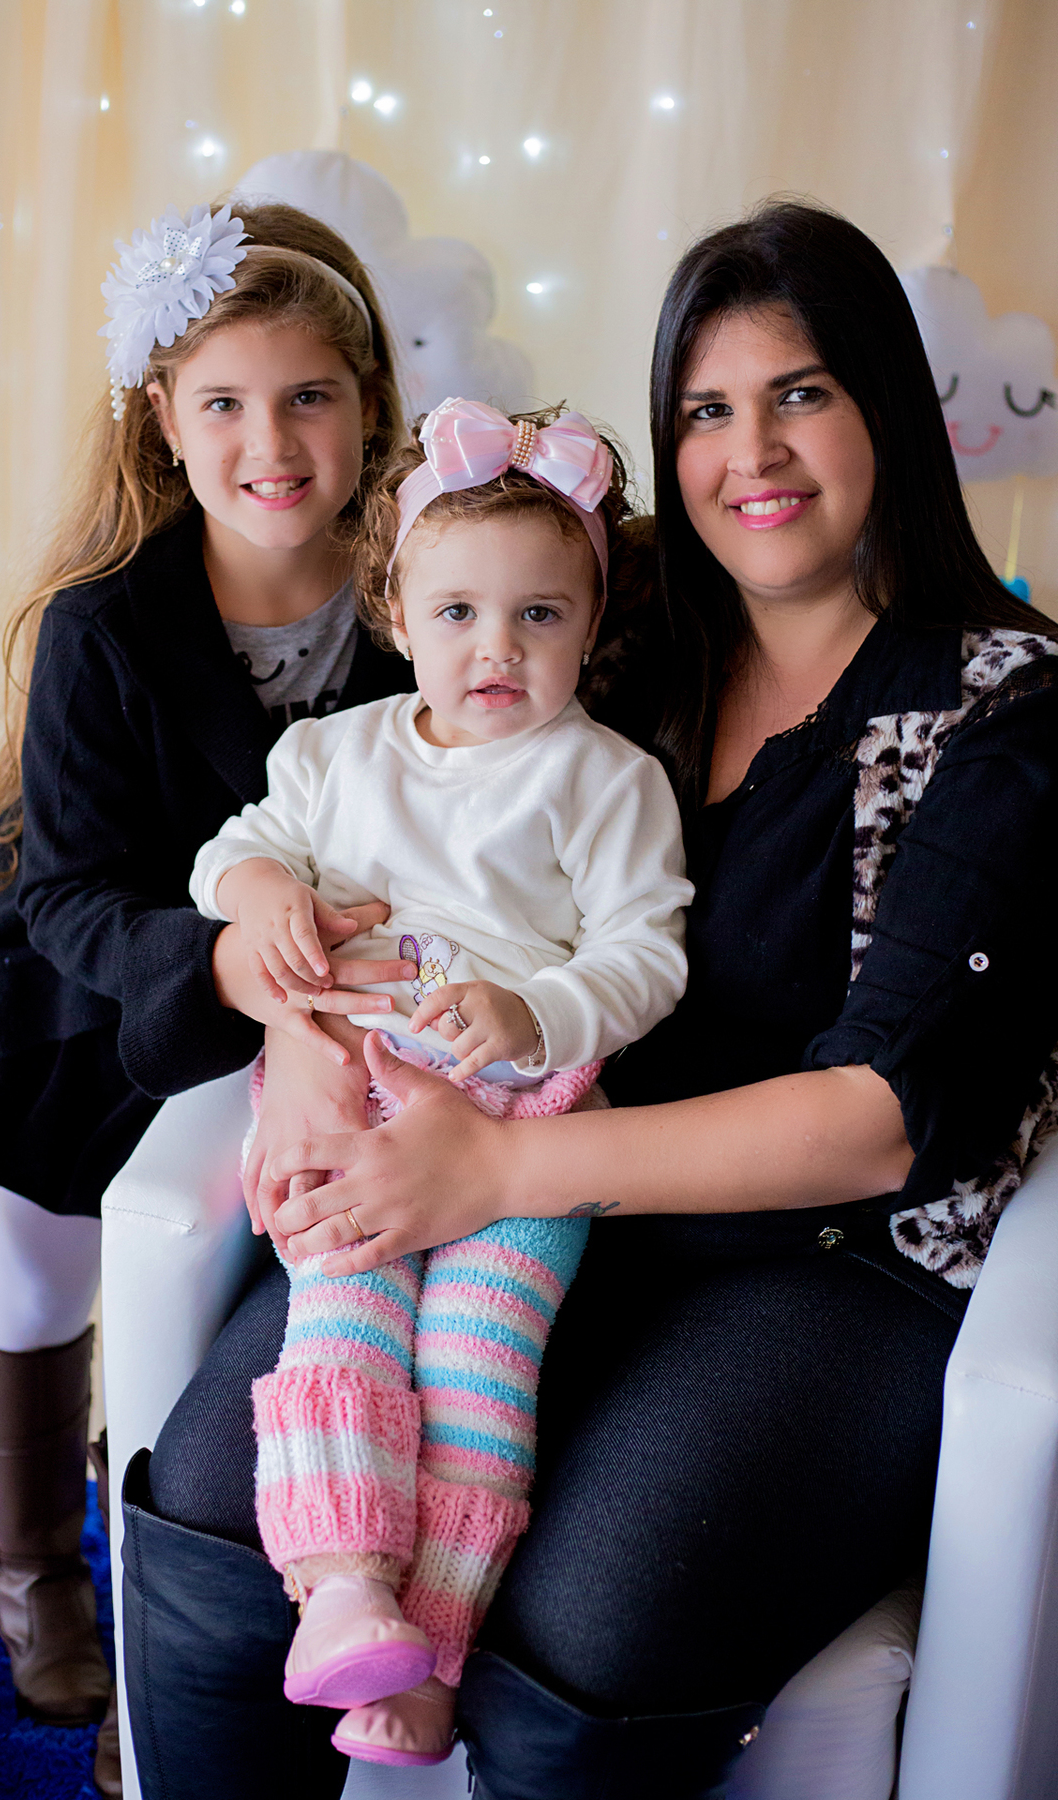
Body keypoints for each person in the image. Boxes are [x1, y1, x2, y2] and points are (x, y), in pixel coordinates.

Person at [124, 198, 1058, 1800]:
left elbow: (882, 1124)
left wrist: (499, 1168)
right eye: (706, 410)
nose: (752, 452)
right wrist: (302, 1033)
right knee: (217, 1507)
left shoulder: (998, 709)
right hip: (498, 1172)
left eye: (803, 393)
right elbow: (372, 851)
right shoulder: (610, 642)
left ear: (891, 408)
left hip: (820, 1267)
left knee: (578, 1629)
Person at [0, 198, 417, 1792]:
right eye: (224, 403)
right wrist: (221, 960)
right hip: (91, 992)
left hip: (310, 1003)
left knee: (217, 1295)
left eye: (308, 398)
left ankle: (163, 1535)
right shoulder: (105, 624)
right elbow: (75, 890)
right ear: (164, 421)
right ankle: (39, 1559)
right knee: (52, 1278)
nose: (271, 444)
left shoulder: (419, 590)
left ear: (369, 406)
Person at [188, 396, 692, 1767]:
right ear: (398, 615)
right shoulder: (333, 757)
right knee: (340, 1322)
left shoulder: (605, 782)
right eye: (459, 612)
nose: (497, 647)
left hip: (526, 1123)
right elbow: (233, 851)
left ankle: (432, 1649)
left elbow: (647, 956)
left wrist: (535, 1010)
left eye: (540, 615)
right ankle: (341, 1588)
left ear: (591, 623)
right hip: (351, 1102)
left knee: (477, 1367)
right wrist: (261, 900)